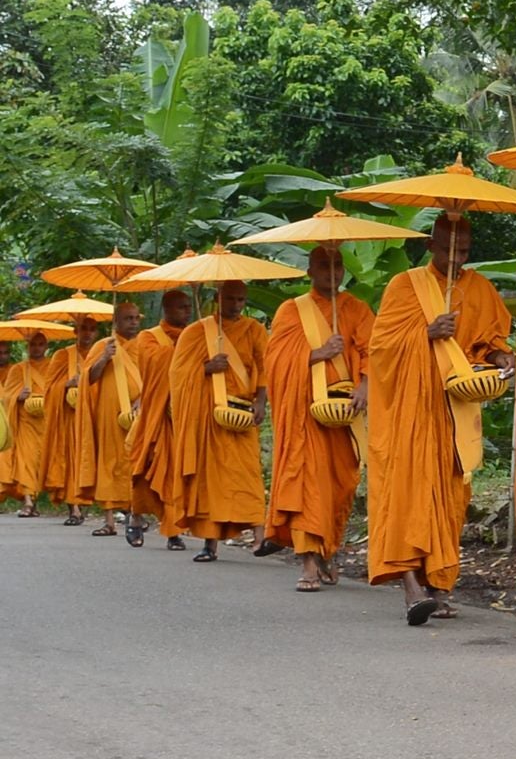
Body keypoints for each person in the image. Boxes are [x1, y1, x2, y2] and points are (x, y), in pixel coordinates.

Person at [366, 215, 513, 624]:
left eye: (464, 250)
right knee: (408, 493)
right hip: (409, 412)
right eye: (449, 249)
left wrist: (503, 359)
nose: (457, 257)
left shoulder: (479, 288)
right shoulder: (406, 285)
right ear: (431, 245)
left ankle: (440, 584)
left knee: (450, 497)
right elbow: (380, 349)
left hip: (456, 410)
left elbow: (490, 344)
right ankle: (411, 587)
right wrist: (425, 333)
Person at [264, 244, 374, 591]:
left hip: (346, 416)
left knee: (341, 486)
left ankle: (327, 548)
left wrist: (365, 387)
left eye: (337, 265)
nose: (332, 272)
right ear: (309, 271)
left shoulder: (357, 308)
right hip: (305, 417)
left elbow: (375, 352)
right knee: (305, 483)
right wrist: (317, 353)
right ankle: (308, 561)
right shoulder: (291, 310)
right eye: (323, 266)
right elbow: (275, 362)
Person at [169, 280, 268, 563]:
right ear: (217, 297)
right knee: (209, 481)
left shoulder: (255, 330)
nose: (236, 305)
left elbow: (265, 368)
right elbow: (177, 375)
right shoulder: (196, 331)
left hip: (242, 414)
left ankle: (261, 537)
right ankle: (209, 544)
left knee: (247, 476)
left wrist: (261, 401)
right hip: (209, 417)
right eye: (231, 299)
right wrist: (206, 368)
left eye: (241, 300)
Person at [128, 290, 195, 549]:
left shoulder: (196, 335)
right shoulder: (148, 337)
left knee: (176, 473)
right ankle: (135, 517)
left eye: (188, 307)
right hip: (156, 416)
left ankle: (173, 531)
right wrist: (183, 350)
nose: (187, 312)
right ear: (166, 309)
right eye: (181, 308)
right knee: (146, 471)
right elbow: (154, 366)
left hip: (183, 417)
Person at [78, 301, 144, 541]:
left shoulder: (144, 344)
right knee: (109, 462)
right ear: (116, 321)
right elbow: (89, 379)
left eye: (136, 318)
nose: (134, 323)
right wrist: (104, 358)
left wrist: (143, 400)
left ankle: (135, 512)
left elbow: (155, 375)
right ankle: (108, 521)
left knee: (136, 462)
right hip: (109, 414)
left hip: (139, 411)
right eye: (128, 318)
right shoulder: (103, 345)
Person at [41, 316, 100, 526]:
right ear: (75, 331)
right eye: (83, 329)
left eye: (92, 329)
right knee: (70, 459)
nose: (87, 333)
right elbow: (49, 389)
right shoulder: (62, 355)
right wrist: (67, 384)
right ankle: (74, 507)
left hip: (94, 416)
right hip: (69, 418)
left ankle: (98, 502)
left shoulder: (100, 354)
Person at [0, 332, 51, 515]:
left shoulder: (53, 366)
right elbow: (6, 397)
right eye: (33, 344)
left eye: (40, 344)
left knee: (41, 464)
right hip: (26, 423)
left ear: (46, 346)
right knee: (26, 460)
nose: (36, 348)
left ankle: (36, 500)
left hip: (47, 421)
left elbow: (58, 390)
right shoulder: (19, 369)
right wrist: (17, 397)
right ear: (27, 347)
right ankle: (28, 502)